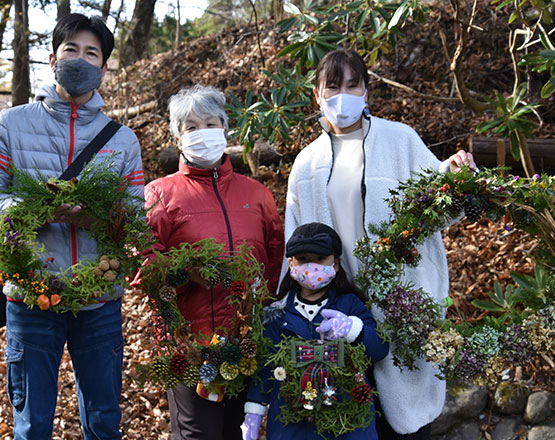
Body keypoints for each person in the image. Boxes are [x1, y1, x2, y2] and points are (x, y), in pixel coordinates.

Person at [283, 48, 476, 439]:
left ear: (367, 90)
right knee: (351, 415)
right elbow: (295, 240)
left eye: (353, 85)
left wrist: (455, 177)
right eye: (333, 86)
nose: (343, 95)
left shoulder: (399, 140)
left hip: (402, 303)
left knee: (407, 424)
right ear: (317, 95)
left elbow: (436, 199)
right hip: (337, 308)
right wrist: (289, 305)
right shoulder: (306, 163)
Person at [0, 13, 143, 440]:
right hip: (31, 296)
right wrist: (34, 209)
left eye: (91, 53)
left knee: (104, 419)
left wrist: (94, 217)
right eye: (71, 50)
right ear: (52, 58)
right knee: (32, 423)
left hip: (99, 300)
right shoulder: (10, 124)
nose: (80, 59)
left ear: (104, 69)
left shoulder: (121, 140)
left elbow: (136, 217)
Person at [140, 85, 284, 440]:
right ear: (176, 137)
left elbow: (275, 259)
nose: (202, 132)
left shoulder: (258, 194)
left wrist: (260, 313)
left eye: (210, 123)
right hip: (190, 346)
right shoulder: (160, 193)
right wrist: (185, 273)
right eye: (191, 127)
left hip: (246, 341)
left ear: (225, 128)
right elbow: (144, 265)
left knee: (238, 432)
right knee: (197, 435)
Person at [242, 222, 389, 439]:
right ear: (291, 263)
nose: (311, 267)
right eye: (303, 259)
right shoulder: (276, 313)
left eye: (320, 259)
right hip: (291, 421)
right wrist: (254, 411)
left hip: (348, 419)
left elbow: (379, 349)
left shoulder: (350, 304)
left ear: (336, 264)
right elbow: (265, 367)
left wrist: (352, 329)